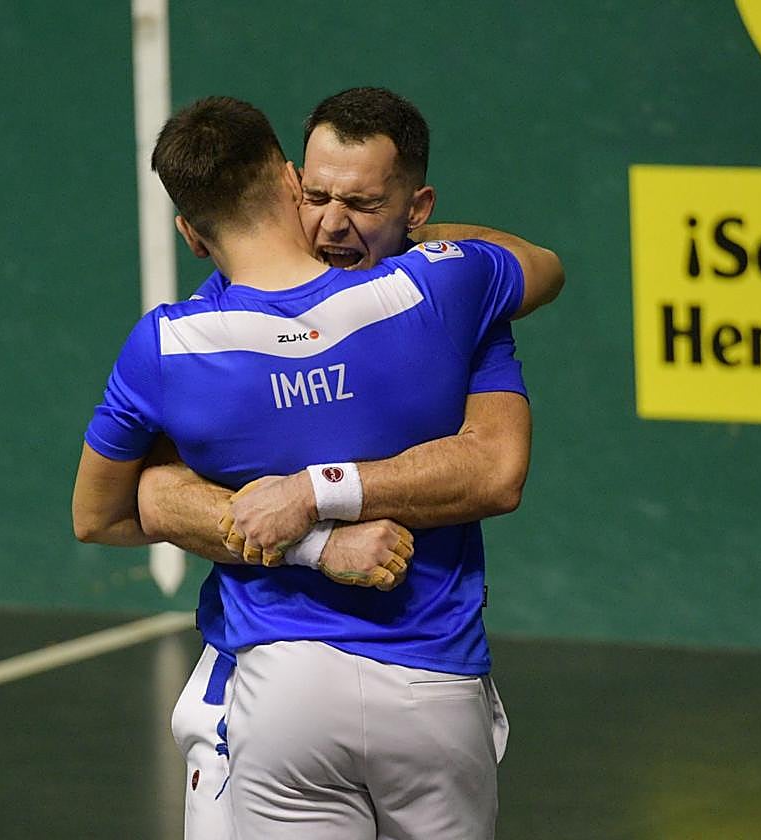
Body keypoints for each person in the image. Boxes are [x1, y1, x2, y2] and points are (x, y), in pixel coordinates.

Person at [73, 95, 562, 838]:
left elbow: (494, 470)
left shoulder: (174, 344)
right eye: (320, 196)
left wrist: (313, 497)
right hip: (361, 681)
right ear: (290, 181)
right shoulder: (445, 289)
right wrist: (322, 546)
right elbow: (541, 267)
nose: (335, 221)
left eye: (364, 203)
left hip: (331, 690)